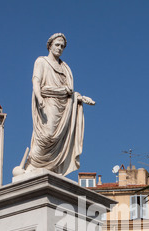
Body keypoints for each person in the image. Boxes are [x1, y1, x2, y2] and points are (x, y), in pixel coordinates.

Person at [26, 33, 95, 175]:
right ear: (50, 45)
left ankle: (51, 167)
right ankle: (33, 163)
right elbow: (36, 81)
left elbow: (69, 92)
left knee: (59, 139)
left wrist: (79, 98)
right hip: (48, 102)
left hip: (63, 107)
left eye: (62, 46)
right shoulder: (41, 61)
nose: (60, 48)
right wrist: (39, 97)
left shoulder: (65, 68)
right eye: (57, 45)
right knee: (47, 136)